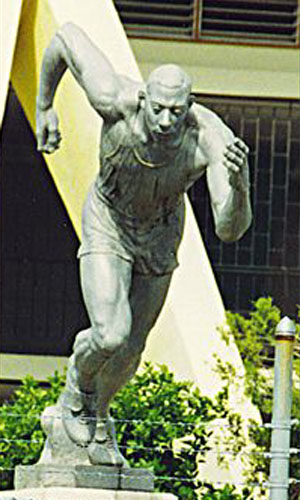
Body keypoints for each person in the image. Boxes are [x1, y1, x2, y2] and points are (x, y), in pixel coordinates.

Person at [36, 23, 252, 467]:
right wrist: (44, 107)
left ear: (189, 106)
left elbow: (230, 229)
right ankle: (76, 387)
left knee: (133, 346)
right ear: (146, 101)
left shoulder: (211, 140)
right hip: (108, 220)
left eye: (177, 110)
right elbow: (65, 39)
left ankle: (98, 416)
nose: (167, 121)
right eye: (159, 110)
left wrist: (239, 183)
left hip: (159, 235)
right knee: (110, 332)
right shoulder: (113, 97)